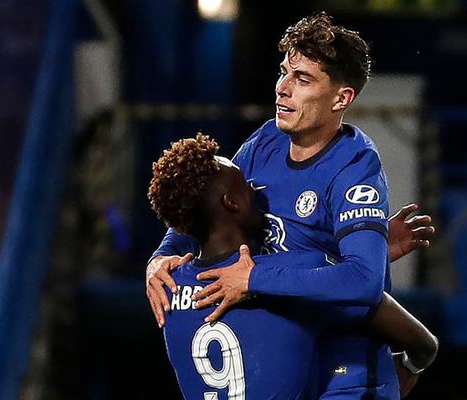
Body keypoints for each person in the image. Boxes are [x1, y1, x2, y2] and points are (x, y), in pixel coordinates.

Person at [146, 12, 435, 399]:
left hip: (343, 377)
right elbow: (204, 202)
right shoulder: (265, 142)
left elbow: (364, 284)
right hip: (290, 363)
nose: (282, 88)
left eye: (302, 79)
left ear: (341, 98)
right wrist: (160, 257)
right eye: (284, 73)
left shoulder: (354, 165)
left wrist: (254, 280)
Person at [147, 134, 438, 399]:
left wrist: (157, 258)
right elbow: (415, 335)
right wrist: (370, 251)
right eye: (245, 183)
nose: (255, 188)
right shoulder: (291, 277)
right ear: (232, 203)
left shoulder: (167, 288)